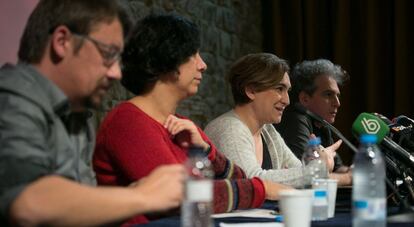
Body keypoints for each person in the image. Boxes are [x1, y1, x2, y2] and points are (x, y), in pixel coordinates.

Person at [0, 1, 186, 226]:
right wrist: (144, 196)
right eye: (108, 54)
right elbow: (27, 202)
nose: (116, 73)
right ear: (62, 41)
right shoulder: (11, 97)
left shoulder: (76, 113)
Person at [93, 14, 291, 225]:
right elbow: (179, 196)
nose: (203, 65)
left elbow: (239, 178)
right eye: (193, 55)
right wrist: (262, 189)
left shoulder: (181, 124)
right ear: (167, 58)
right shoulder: (128, 122)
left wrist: (207, 150)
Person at [205, 53, 351, 188]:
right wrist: (323, 170)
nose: (287, 100)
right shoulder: (229, 129)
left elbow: (298, 173)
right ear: (251, 91)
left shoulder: (267, 129)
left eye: (287, 91)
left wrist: (315, 163)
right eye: (279, 89)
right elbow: (251, 181)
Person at [275, 59, 351, 173]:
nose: (337, 103)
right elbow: (308, 171)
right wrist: (348, 178)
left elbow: (337, 168)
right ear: (305, 99)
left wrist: (355, 171)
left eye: (337, 96)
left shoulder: (322, 124)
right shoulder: (296, 120)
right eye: (328, 94)